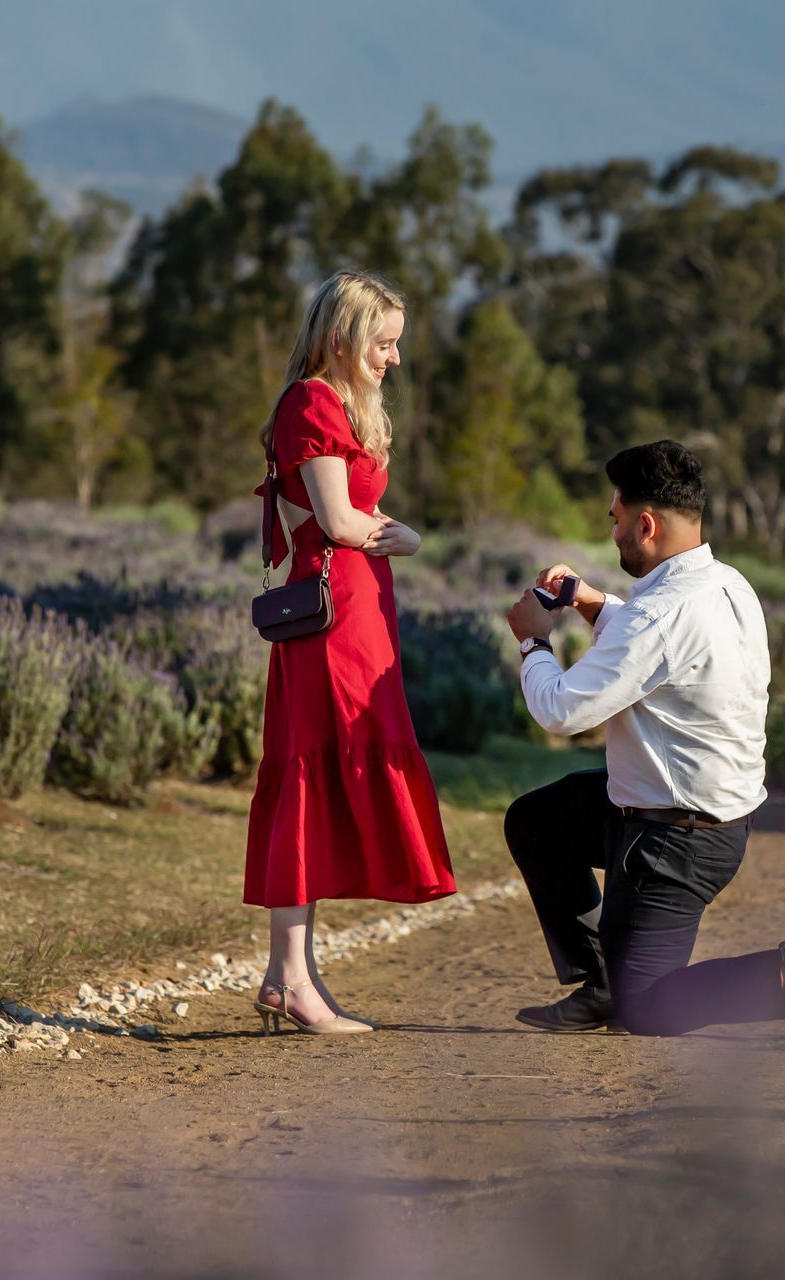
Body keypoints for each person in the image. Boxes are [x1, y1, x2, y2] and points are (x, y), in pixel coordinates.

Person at [503, 440, 785, 1036]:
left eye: (615, 518)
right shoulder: (727, 585)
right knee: (537, 821)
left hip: (677, 840)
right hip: (672, 810)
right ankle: (604, 983)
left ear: (645, 524)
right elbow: (658, 650)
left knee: (649, 1010)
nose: (613, 530)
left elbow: (561, 711)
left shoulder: (660, 616)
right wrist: (593, 604)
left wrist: (533, 641)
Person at [244, 270, 457, 1035]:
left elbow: (357, 515)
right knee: (311, 777)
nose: (394, 359)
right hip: (334, 624)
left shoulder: (338, 404)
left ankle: (289, 975)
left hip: (356, 614)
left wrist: (405, 534)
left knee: (317, 778)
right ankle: (293, 978)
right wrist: (396, 534)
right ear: (341, 337)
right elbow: (338, 522)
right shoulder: (310, 402)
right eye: (384, 343)